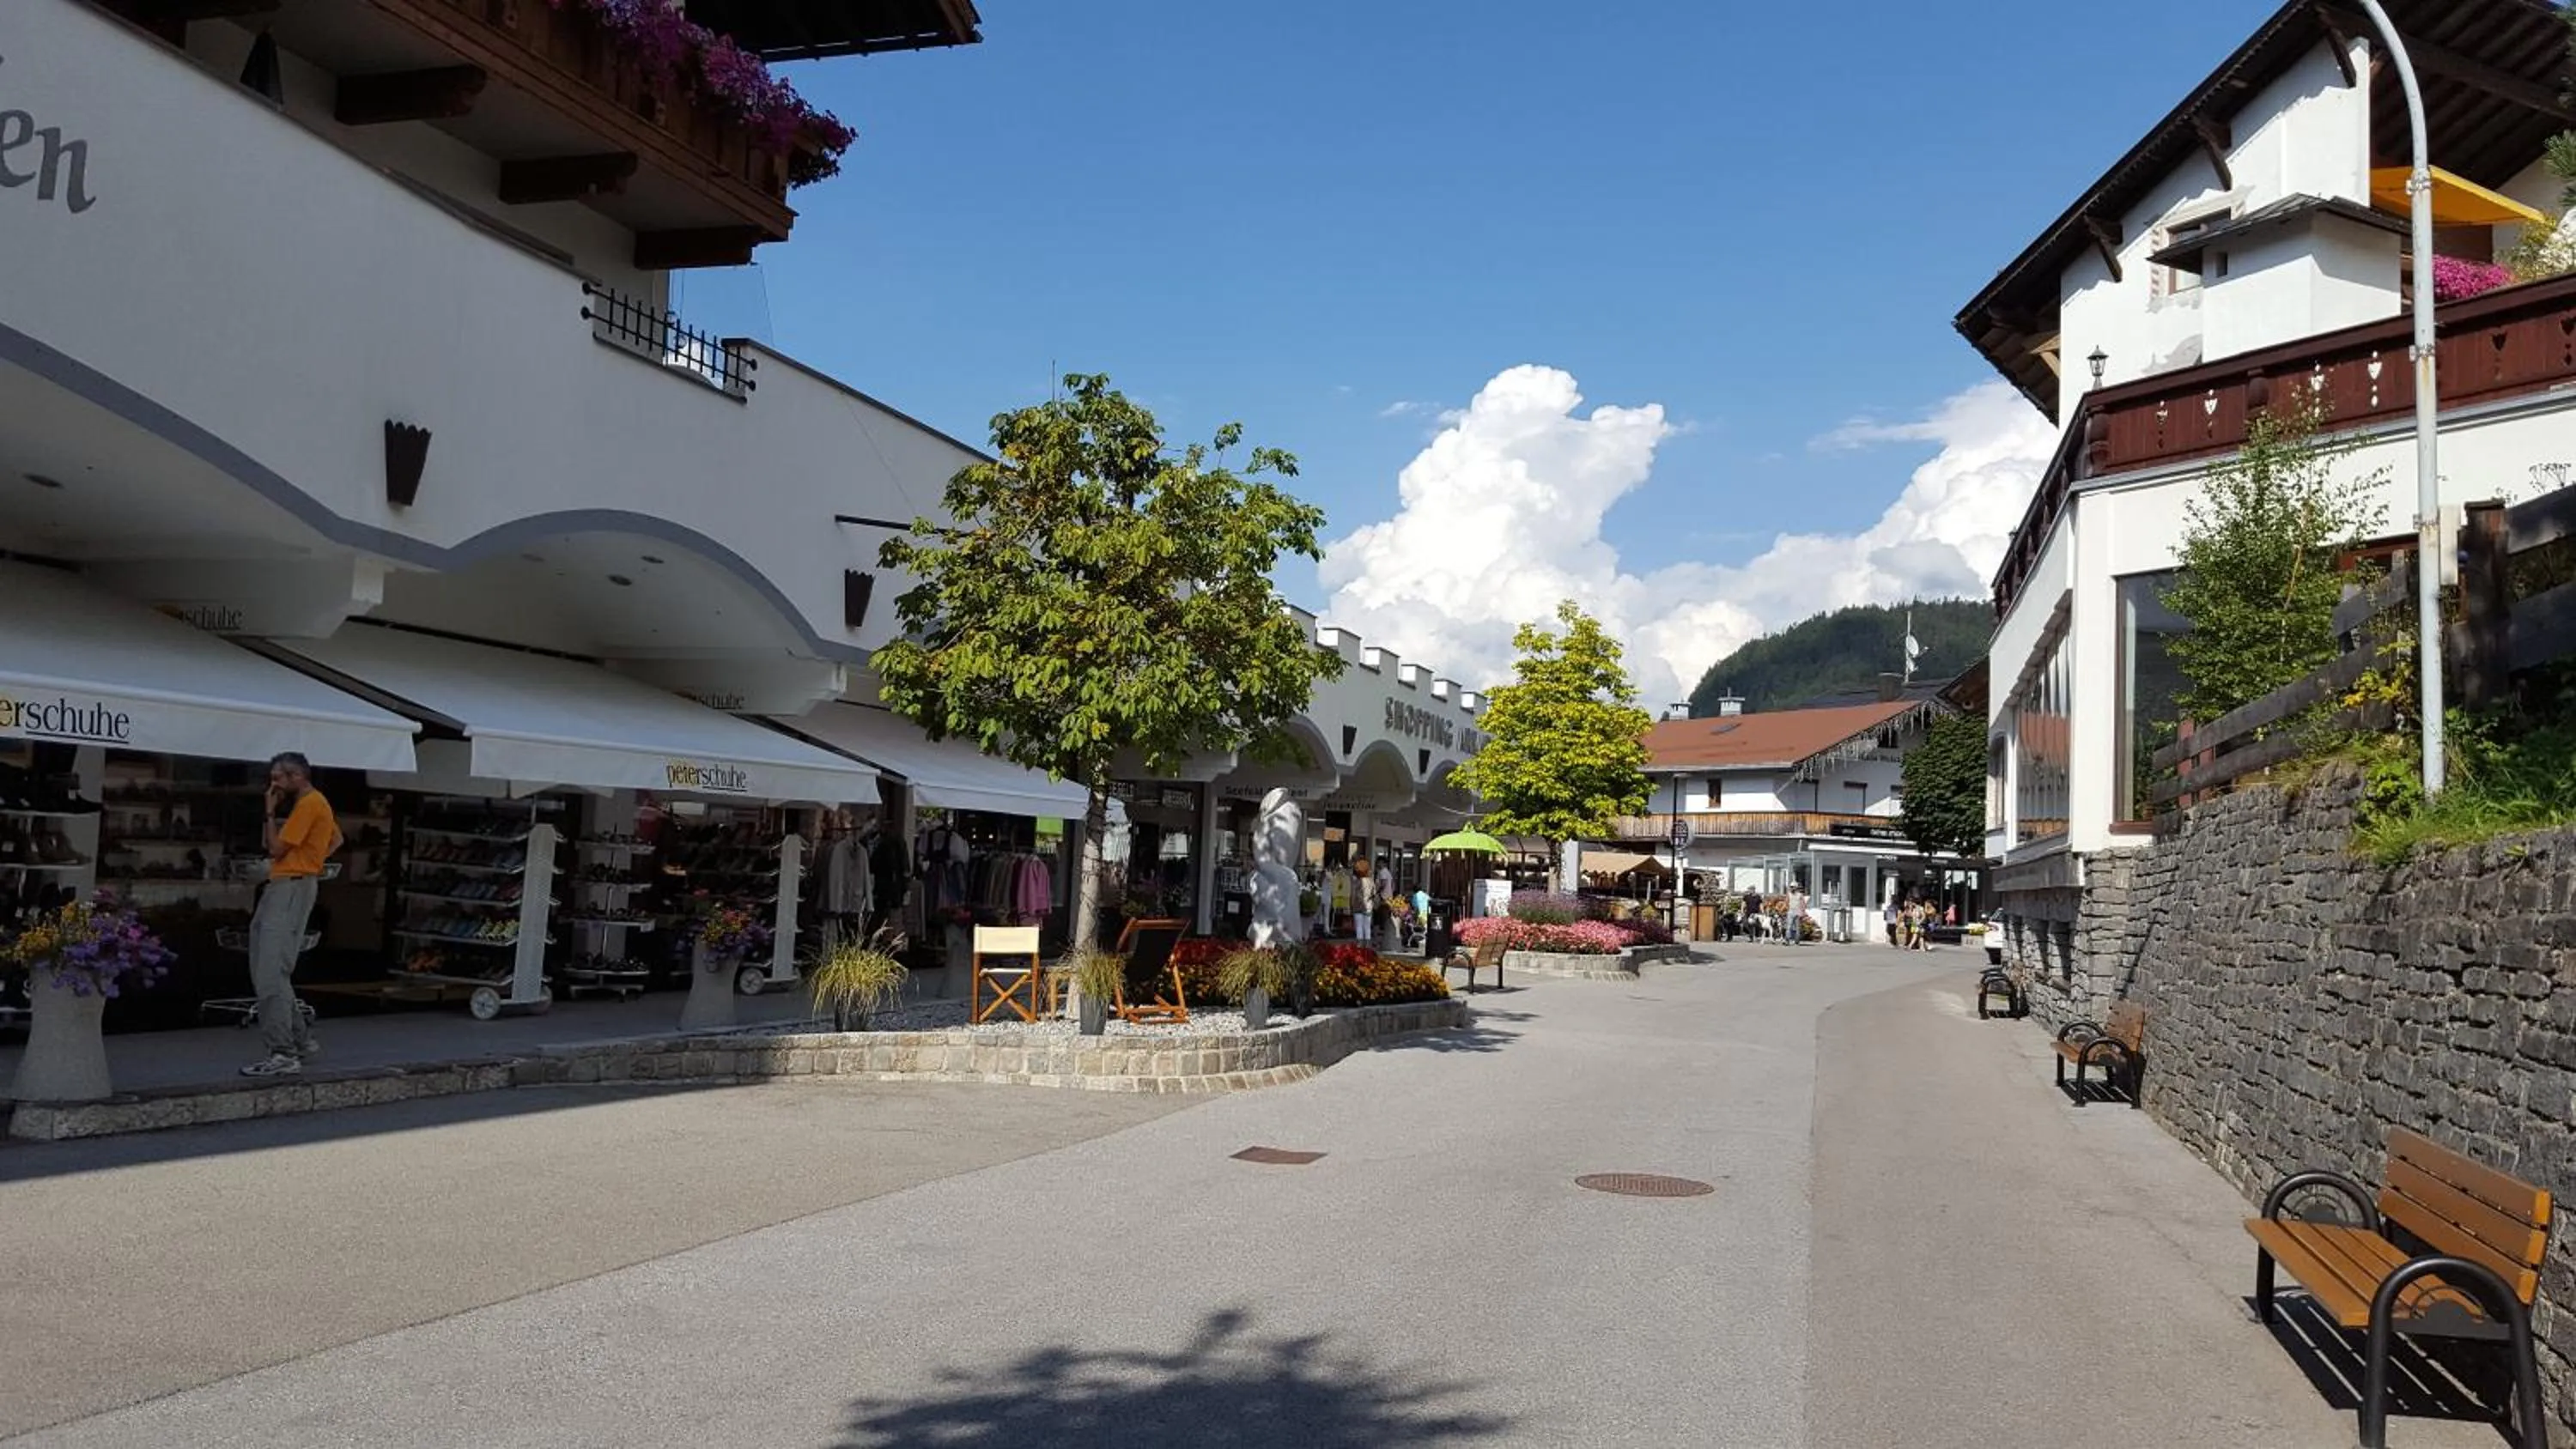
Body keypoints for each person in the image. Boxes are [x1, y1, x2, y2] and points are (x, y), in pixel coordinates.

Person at [241, 752, 340, 1077]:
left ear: (297, 776)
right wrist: (312, 861)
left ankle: (283, 1051)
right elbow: (336, 839)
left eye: (278, 778)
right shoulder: (317, 804)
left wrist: (269, 813)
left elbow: (275, 849)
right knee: (268, 966)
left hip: (290, 887)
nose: (274, 784)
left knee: (270, 970)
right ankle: (298, 1040)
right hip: (292, 883)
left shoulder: (308, 804)